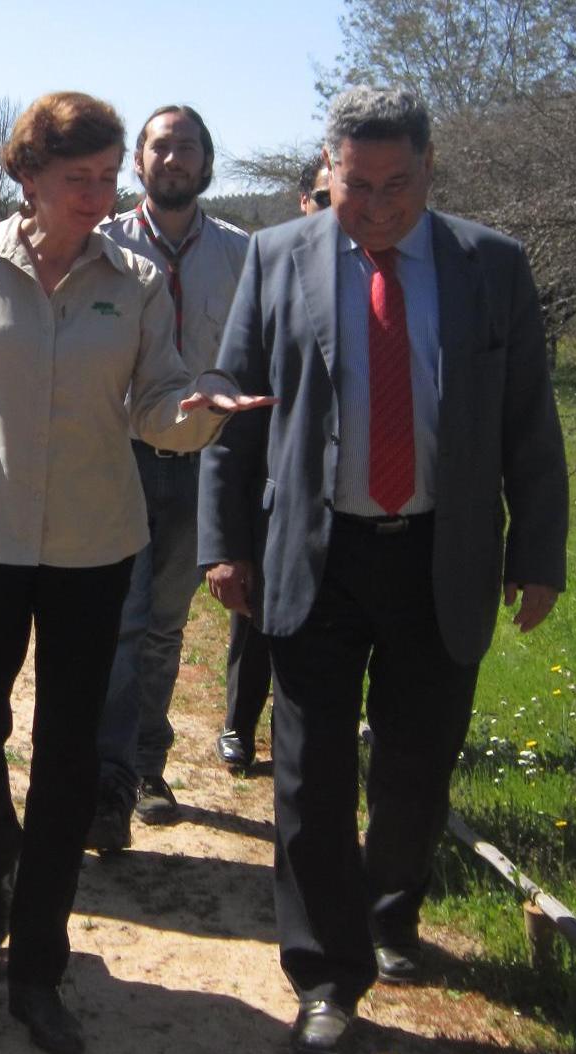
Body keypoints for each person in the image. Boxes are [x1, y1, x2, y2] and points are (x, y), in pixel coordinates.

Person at [0, 92, 271, 1054]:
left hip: (95, 548)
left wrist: (204, 409)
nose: (100, 196)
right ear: (28, 178)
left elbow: (155, 406)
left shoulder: (133, 281)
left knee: (66, 757)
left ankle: (39, 968)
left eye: (109, 178)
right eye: (79, 180)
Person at [201, 87, 568, 1054]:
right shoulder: (278, 259)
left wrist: (538, 552)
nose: (374, 206)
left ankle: (393, 905)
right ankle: (326, 977)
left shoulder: (490, 267)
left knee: (415, 767)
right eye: (354, 186)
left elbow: (529, 422)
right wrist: (222, 542)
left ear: (428, 169)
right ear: (328, 172)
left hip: (439, 554)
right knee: (311, 778)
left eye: (394, 185)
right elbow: (234, 418)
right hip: (315, 557)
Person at [86, 105, 249, 852]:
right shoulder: (102, 246)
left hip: (204, 466)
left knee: (165, 627)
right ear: (138, 161)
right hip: (117, 461)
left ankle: (150, 763)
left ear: (206, 162)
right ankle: (109, 783)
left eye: (187, 146)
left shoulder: (243, 255)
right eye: (161, 145)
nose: (174, 157)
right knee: (118, 625)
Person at [214, 151, 330, 776]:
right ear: (305, 202)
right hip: (269, 485)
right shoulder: (275, 262)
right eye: (324, 198)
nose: (335, 210)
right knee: (255, 619)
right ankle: (238, 723)